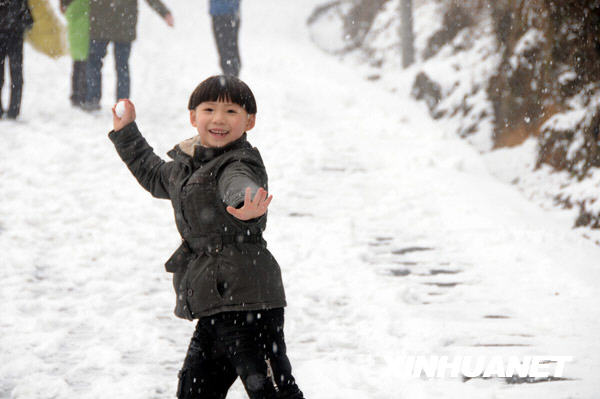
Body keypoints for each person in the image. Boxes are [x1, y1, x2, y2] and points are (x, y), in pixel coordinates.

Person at [108, 75, 305, 398]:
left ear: (249, 121)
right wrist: (125, 132)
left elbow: (239, 183)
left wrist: (246, 201)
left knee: (273, 390)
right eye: (209, 109)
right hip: (215, 301)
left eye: (231, 112)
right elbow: (153, 172)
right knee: (194, 391)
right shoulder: (188, 168)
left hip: (248, 299)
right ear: (193, 116)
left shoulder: (239, 161)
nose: (218, 119)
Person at [82, 0, 174, 111]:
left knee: (97, 64)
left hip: (105, 23)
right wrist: (164, 13)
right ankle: (120, 103)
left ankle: (95, 99)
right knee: (120, 66)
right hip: (120, 23)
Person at [0, 0, 33, 119]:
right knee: (16, 74)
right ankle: (14, 109)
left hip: (4, 36)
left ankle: (9, 109)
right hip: (15, 37)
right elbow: (28, 18)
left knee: (7, 75)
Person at [60, 0, 89, 107]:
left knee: (76, 68)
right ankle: (83, 95)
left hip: (75, 42)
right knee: (85, 69)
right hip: (85, 41)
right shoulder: (87, 6)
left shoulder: (71, 9)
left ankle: (75, 95)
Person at [210, 0, 241, 77]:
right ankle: (231, 77)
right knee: (228, 50)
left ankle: (231, 79)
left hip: (224, 13)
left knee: (227, 52)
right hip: (228, 12)